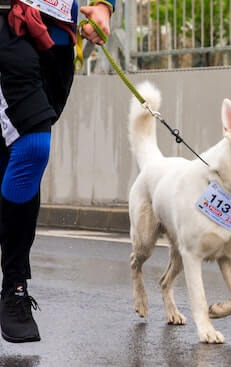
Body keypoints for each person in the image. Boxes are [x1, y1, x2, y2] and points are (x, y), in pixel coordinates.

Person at [0, 0, 114, 342]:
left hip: (58, 35)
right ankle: (15, 286)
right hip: (9, 22)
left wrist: (103, 6)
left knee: (14, 157)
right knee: (33, 146)